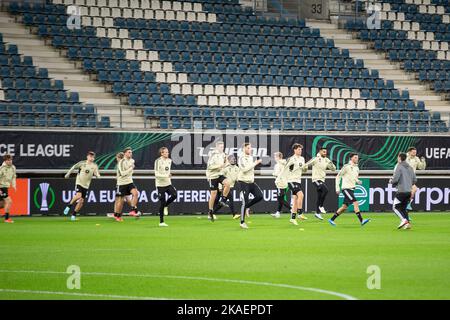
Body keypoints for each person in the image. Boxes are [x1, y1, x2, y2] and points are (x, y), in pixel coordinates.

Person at [329, 153, 370, 227]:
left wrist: (358, 181)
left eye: (357, 158)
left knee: (344, 207)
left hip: (351, 189)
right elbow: (338, 176)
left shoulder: (357, 168)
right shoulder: (346, 167)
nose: (357, 159)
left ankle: (331, 219)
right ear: (351, 158)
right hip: (346, 189)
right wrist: (337, 188)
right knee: (355, 202)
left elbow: (354, 178)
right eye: (355, 157)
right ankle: (361, 220)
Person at [276, 143, 308, 226]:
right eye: (298, 149)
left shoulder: (302, 159)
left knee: (295, 200)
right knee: (301, 195)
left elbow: (303, 170)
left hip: (298, 181)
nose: (300, 151)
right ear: (295, 150)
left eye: (301, 149)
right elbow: (285, 165)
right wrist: (280, 177)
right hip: (291, 180)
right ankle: (300, 213)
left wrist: (305, 168)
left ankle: (293, 218)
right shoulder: (291, 159)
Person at [63, 151, 100, 221]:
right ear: (87, 157)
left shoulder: (94, 166)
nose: (91, 157)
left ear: (94, 158)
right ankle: (68, 206)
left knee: (81, 201)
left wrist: (98, 176)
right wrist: (68, 174)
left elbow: (97, 173)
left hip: (86, 185)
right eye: (90, 156)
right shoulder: (82, 163)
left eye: (92, 157)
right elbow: (73, 167)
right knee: (78, 195)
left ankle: (73, 215)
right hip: (79, 182)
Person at [303, 147, 336, 220]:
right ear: (320, 151)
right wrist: (304, 169)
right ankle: (321, 206)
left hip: (322, 180)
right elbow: (307, 164)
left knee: (319, 196)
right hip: (316, 180)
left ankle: (317, 213)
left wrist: (331, 162)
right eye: (323, 152)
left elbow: (333, 169)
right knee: (326, 190)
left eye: (326, 152)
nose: (325, 153)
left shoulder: (326, 160)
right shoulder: (316, 158)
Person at [237, 142, 263, 229]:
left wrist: (254, 163)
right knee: (245, 201)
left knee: (260, 196)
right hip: (243, 182)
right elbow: (244, 169)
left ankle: (247, 207)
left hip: (251, 182)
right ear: (244, 149)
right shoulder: (241, 158)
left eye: (250, 148)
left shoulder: (251, 157)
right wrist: (255, 163)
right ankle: (242, 222)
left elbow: (250, 169)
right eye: (248, 148)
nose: (250, 149)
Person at [389, 152, 417, 230]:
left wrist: (391, 181)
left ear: (400, 158)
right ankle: (408, 224)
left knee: (395, 207)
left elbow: (395, 179)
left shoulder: (399, 166)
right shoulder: (410, 167)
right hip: (409, 191)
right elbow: (415, 180)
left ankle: (404, 220)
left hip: (401, 191)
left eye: (398, 157)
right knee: (403, 208)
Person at [113, 147, 140, 222]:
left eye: (131, 152)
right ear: (125, 153)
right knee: (120, 201)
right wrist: (131, 168)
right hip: (122, 183)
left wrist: (131, 170)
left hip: (129, 182)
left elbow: (130, 172)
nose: (130, 154)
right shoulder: (121, 162)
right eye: (129, 152)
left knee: (136, 193)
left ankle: (133, 210)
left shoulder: (132, 160)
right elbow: (123, 173)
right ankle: (117, 216)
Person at [206, 141, 230, 221]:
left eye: (223, 147)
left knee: (227, 183)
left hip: (219, 174)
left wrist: (226, 162)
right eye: (220, 147)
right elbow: (209, 167)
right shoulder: (212, 154)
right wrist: (219, 166)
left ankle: (222, 200)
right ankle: (210, 211)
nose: (222, 148)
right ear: (216, 147)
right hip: (212, 176)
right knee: (213, 194)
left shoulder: (223, 154)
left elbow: (224, 165)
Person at [154, 147, 177, 227]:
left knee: (175, 195)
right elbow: (156, 174)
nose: (168, 153)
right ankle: (161, 222)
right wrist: (166, 175)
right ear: (162, 153)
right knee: (162, 202)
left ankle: (166, 206)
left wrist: (168, 175)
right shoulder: (157, 161)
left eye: (168, 152)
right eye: (166, 152)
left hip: (168, 183)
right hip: (160, 185)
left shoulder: (169, 161)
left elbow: (167, 171)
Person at [214, 154, 240, 220]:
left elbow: (237, 178)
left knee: (223, 202)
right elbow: (220, 177)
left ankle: (212, 213)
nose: (234, 160)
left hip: (231, 187)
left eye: (234, 159)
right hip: (225, 187)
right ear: (228, 160)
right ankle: (234, 214)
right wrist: (220, 187)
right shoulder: (226, 168)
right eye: (232, 159)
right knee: (231, 199)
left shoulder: (237, 168)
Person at [405, 147, 426, 211]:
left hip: (411, 178)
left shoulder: (416, 158)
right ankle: (407, 204)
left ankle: (406, 209)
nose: (414, 153)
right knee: (414, 189)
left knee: (409, 192)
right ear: (409, 152)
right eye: (413, 152)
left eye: (415, 152)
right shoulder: (405, 157)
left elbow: (421, 168)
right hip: (405, 177)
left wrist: (423, 161)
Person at [271, 152, 290, 219]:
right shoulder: (285, 163)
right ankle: (278, 213)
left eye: (275, 157)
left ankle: (292, 209)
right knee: (280, 199)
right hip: (285, 182)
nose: (274, 158)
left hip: (280, 183)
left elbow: (276, 174)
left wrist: (273, 174)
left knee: (280, 199)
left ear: (278, 157)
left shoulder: (278, 165)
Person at [0, 154, 16, 223]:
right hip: (1, 187)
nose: (10, 161)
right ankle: (6, 219)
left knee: (2, 204)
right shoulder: (2, 168)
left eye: (11, 160)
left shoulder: (13, 167)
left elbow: (13, 177)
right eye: (8, 160)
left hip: (5, 187)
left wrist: (14, 185)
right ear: (5, 161)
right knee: (9, 201)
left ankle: (6, 219)